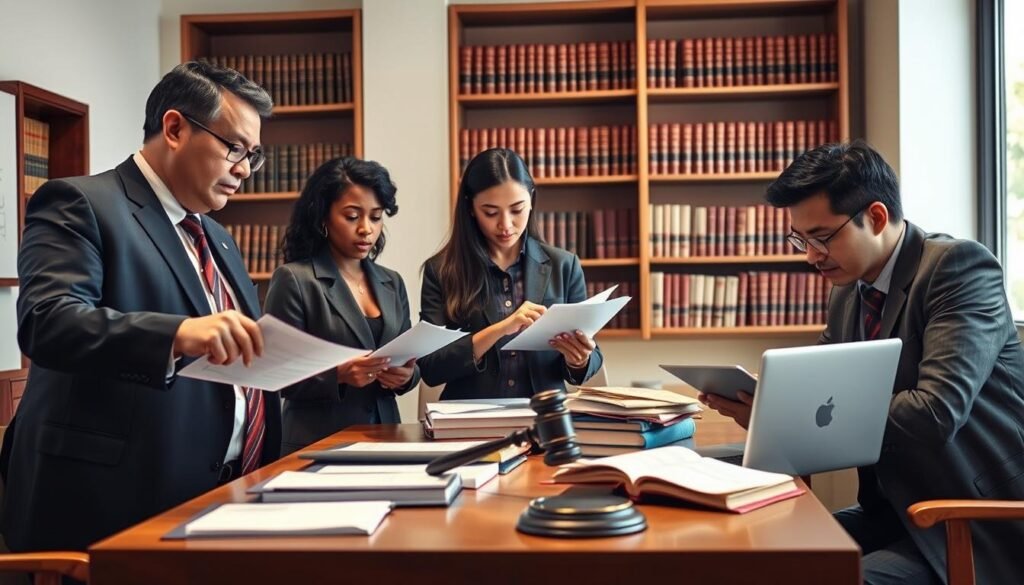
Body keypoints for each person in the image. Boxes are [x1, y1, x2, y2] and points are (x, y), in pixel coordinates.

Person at [698, 140, 1024, 584]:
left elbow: (935, 413)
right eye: (801, 239)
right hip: (894, 511)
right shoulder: (847, 292)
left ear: (875, 217)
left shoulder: (957, 268)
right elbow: (819, 393)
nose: (811, 255)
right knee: (750, 554)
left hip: (968, 519)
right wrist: (766, 411)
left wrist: (790, 407)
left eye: (822, 237)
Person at [1, 61, 282, 554]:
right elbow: (49, 321)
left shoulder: (218, 238)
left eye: (252, 156)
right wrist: (177, 335)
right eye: (233, 148)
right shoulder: (80, 203)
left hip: (220, 491)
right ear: (174, 128)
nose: (242, 169)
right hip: (110, 501)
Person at [419, 148, 604, 400]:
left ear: (531, 200)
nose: (505, 225)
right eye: (491, 213)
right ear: (470, 208)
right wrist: (501, 329)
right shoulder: (441, 271)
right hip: (468, 419)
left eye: (517, 210)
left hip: (544, 418)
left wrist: (579, 360)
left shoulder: (564, 265)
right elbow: (430, 367)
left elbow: (590, 359)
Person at [264, 157, 418, 454]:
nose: (366, 229)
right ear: (323, 217)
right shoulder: (295, 279)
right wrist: (339, 375)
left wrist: (407, 377)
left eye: (375, 217)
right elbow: (274, 373)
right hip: (318, 443)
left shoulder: (392, 282)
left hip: (386, 437)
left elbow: (412, 360)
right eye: (352, 216)